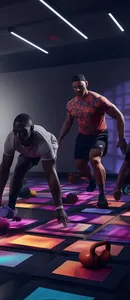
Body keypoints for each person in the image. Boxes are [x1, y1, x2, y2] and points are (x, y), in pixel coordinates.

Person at [58, 74, 126, 208]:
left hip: (99, 134)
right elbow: (68, 123)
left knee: (94, 159)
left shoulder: (98, 100)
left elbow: (118, 115)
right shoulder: (71, 104)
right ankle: (92, 180)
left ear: (86, 84)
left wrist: (121, 138)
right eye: (75, 87)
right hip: (83, 135)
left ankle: (102, 195)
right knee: (79, 165)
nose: (78, 89)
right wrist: (60, 139)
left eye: (80, 86)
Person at [0, 114, 69, 227]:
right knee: (19, 170)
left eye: (22, 131)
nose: (18, 135)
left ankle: (58, 200)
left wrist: (59, 208)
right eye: (15, 131)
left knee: (50, 171)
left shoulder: (43, 143)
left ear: (31, 129)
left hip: (48, 145)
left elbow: (50, 175)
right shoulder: (11, 139)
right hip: (29, 151)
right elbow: (5, 168)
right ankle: (11, 207)